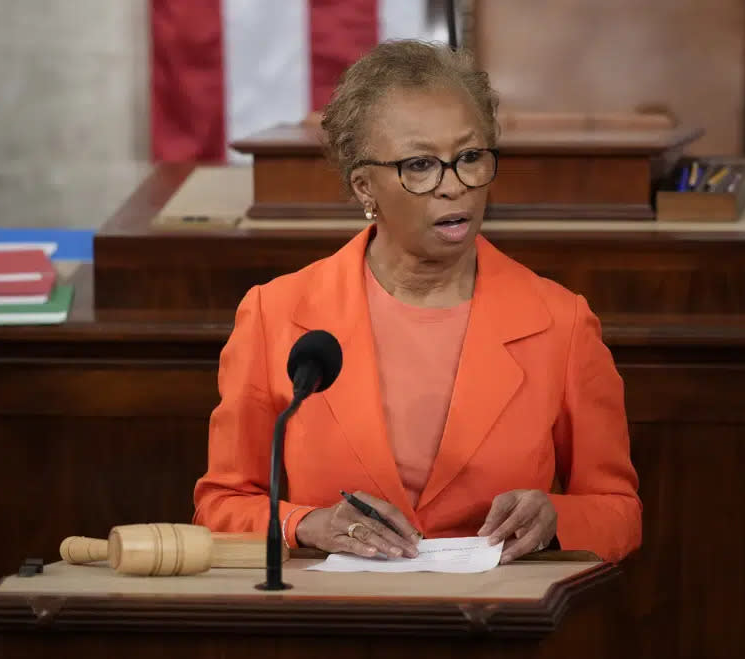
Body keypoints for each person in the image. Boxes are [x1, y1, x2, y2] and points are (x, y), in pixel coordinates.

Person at [193, 40, 641, 564]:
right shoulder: (275, 315)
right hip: (333, 627)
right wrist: (308, 524)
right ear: (365, 187)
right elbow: (220, 505)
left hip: (497, 626)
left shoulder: (561, 323)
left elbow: (618, 511)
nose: (454, 187)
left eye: (470, 158)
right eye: (421, 165)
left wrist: (556, 519)